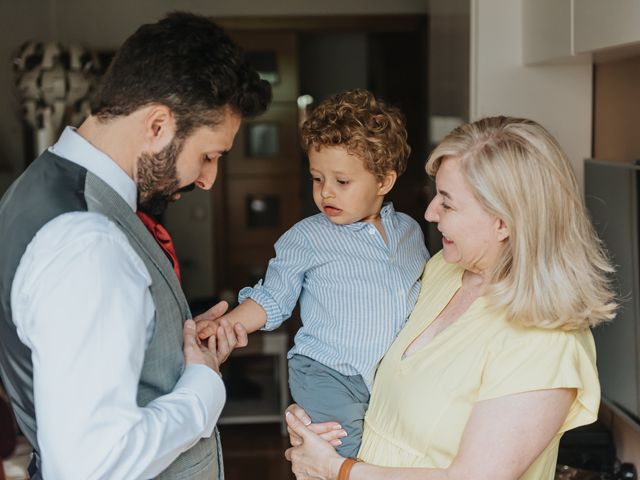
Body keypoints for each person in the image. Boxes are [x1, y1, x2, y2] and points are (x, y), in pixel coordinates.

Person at [0, 12, 270, 479]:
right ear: (158, 125)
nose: (208, 180)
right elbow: (92, 464)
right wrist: (203, 386)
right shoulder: (88, 243)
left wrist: (180, 352)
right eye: (208, 156)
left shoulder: (35, 189)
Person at [283, 115, 617, 480]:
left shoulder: (544, 342)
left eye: (447, 203)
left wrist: (337, 469)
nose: (429, 213)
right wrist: (323, 423)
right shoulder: (445, 268)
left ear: (502, 221)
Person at [198, 89, 429, 457]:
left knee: (394, 450)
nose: (326, 193)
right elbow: (272, 298)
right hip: (328, 373)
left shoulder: (410, 233)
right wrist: (225, 326)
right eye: (317, 178)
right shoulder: (307, 237)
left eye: (342, 181)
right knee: (346, 452)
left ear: (384, 182)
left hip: (387, 375)